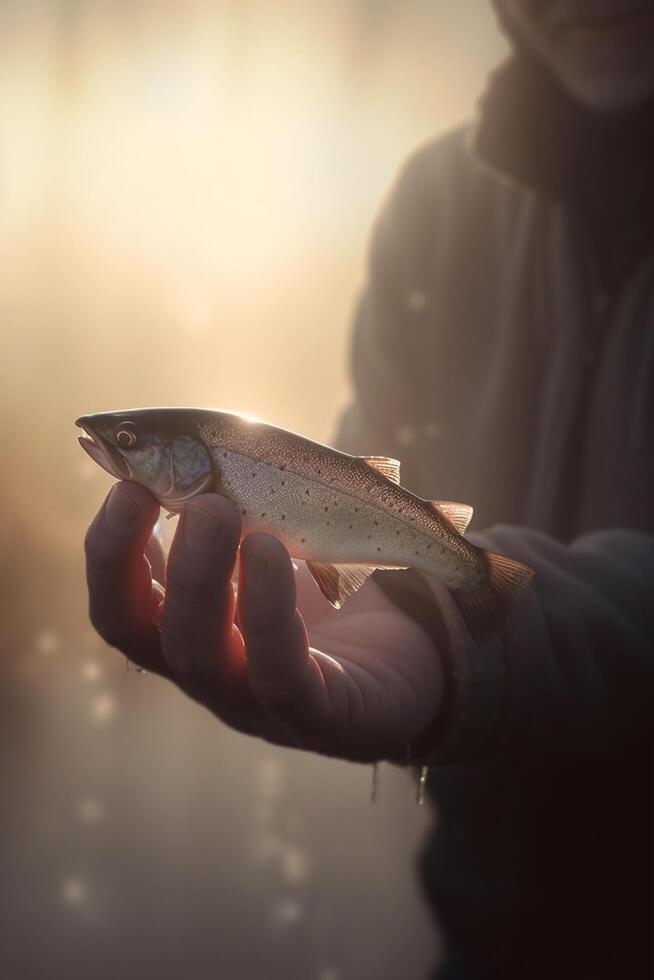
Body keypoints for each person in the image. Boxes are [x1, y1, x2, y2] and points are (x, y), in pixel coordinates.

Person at [83, 1, 654, 977]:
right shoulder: (436, 198)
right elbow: (365, 451)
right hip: (482, 902)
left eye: (132, 443)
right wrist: (357, 585)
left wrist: (455, 638)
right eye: (125, 444)